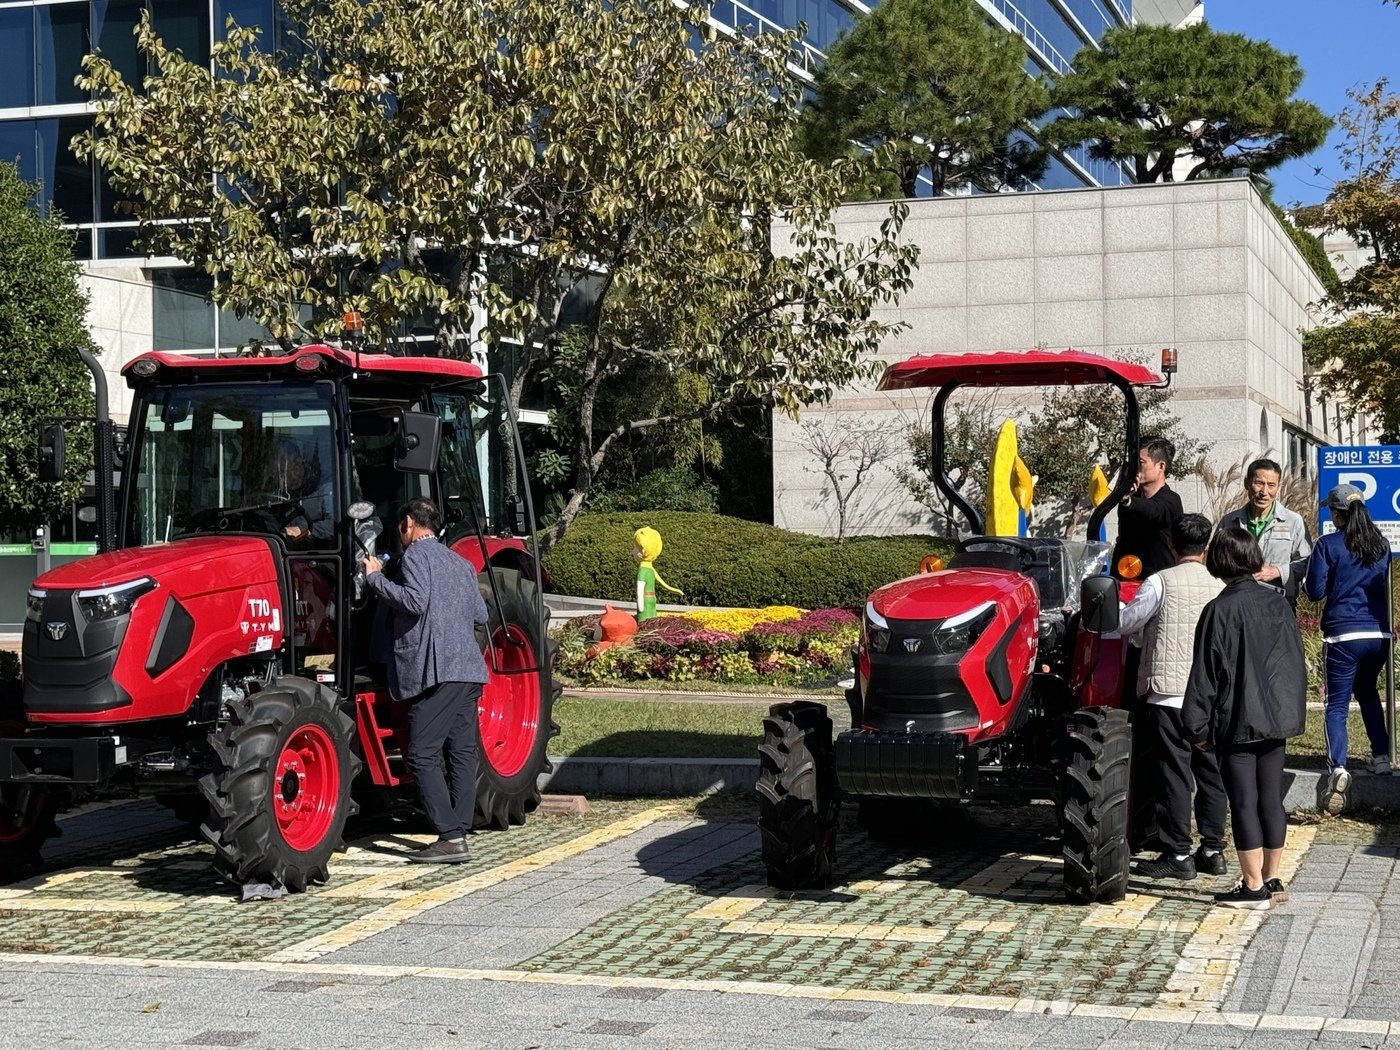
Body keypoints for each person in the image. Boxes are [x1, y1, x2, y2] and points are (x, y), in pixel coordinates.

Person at [1183, 527, 1307, 909]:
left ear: (1219, 562)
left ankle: (1251, 885)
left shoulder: (1219, 610)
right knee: (1271, 798)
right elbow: (1295, 664)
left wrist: (1196, 726)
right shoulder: (1278, 603)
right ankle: (1272, 876)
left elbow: (1205, 674)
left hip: (1237, 719)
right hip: (1277, 717)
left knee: (1243, 801)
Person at [364, 497, 489, 863]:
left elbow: (415, 602)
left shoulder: (416, 557)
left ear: (407, 524)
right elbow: (480, 614)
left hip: (437, 671)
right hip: (467, 669)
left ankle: (450, 837)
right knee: (463, 751)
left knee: (420, 752)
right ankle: (460, 829)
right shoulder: (461, 563)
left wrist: (375, 579)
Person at [1119, 513, 1229, 881]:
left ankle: (1178, 853)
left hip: (1169, 692)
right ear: (1208, 545)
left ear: (1171, 544)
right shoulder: (1222, 584)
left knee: (1174, 773)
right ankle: (1213, 850)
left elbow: (1126, 622)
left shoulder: (1159, 582)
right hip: (1212, 696)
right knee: (1212, 775)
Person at [1303, 483, 1394, 814]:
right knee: (1368, 693)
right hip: (1379, 635)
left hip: (1343, 634)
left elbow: (1314, 591)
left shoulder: (1328, 544)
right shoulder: (1381, 546)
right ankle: (1381, 757)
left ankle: (1338, 767)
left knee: (1337, 705)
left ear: (1337, 514)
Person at [1217, 458, 1311, 607]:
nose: (1264, 492)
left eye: (1271, 485)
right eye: (1259, 483)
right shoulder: (1229, 521)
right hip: (1239, 604)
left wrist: (1278, 571)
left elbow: (1306, 562)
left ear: (1278, 487)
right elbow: (1217, 560)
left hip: (1279, 606)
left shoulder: (1294, 521)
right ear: (1247, 483)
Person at [1112, 437, 1183, 580]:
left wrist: (1128, 501)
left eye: (1140, 463)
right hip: (1126, 580)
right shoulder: (1131, 499)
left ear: (1161, 466)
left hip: (1160, 582)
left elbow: (1154, 510)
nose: (1135, 468)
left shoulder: (1171, 500)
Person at [266, 441, 334, 543]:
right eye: (277, 469)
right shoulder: (270, 495)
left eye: (298, 463)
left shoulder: (323, 490)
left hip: (312, 553)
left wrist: (302, 529)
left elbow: (335, 524)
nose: (297, 469)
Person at [633, 527, 683, 622]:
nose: (633, 550)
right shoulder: (650, 569)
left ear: (642, 551)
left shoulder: (642, 571)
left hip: (645, 600)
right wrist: (674, 590)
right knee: (652, 620)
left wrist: (640, 607)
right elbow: (664, 583)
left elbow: (640, 592)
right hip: (652, 599)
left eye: (635, 547)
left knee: (644, 622)